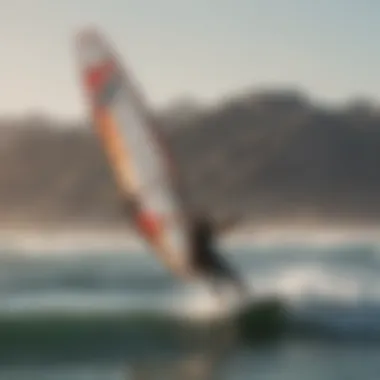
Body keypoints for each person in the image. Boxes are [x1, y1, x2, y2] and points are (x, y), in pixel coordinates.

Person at [188, 211, 249, 299]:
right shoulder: (198, 236)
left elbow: (219, 228)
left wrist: (231, 222)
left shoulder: (200, 233)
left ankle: (240, 295)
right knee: (224, 278)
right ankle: (234, 297)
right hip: (206, 261)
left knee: (226, 277)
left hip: (207, 260)